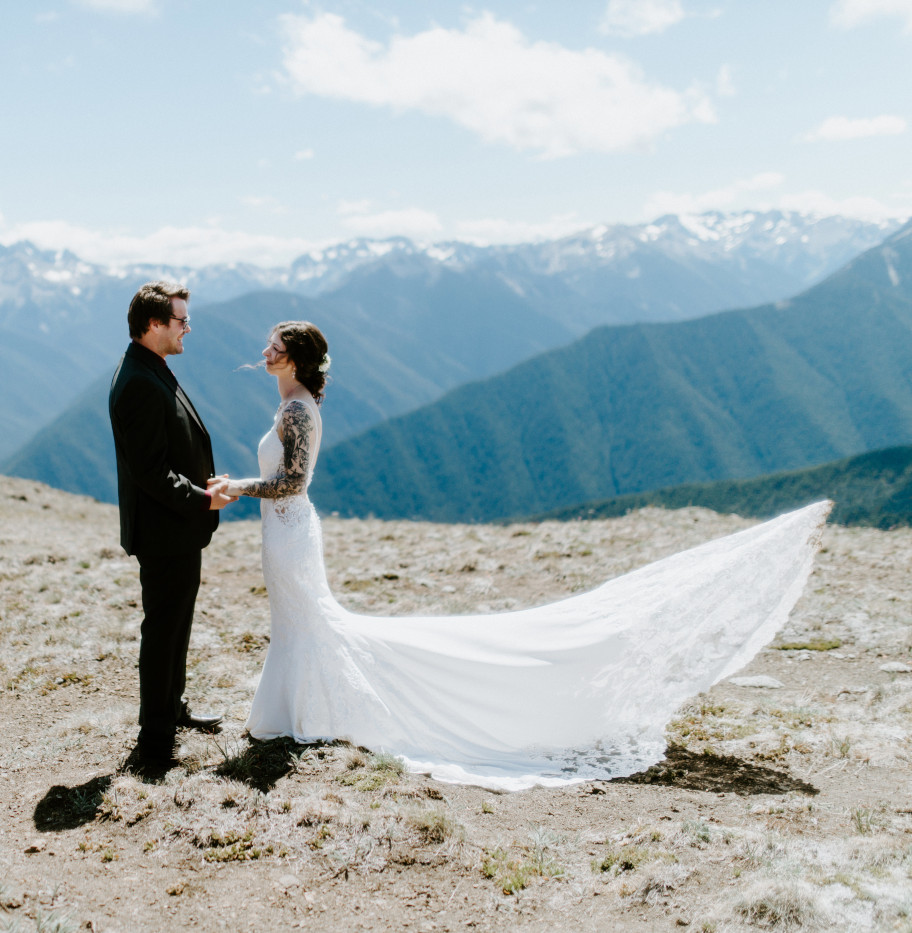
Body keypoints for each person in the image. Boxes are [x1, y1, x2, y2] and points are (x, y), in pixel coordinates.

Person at [222, 321, 831, 791]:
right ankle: (299, 707)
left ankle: (307, 711)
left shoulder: (298, 409)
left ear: (297, 356)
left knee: (312, 621)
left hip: (290, 526)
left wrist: (237, 487)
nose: (267, 350)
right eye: (269, 343)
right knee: (299, 623)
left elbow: (296, 481)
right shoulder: (289, 405)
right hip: (282, 532)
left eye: (276, 344)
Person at [109, 281, 238, 775]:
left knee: (175, 624)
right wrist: (203, 498)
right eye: (182, 321)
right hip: (165, 531)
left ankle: (171, 710)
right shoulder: (139, 381)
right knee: (163, 630)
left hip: (176, 528)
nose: (189, 328)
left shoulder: (148, 367)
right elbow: (151, 472)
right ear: (154, 325)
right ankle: (155, 740)